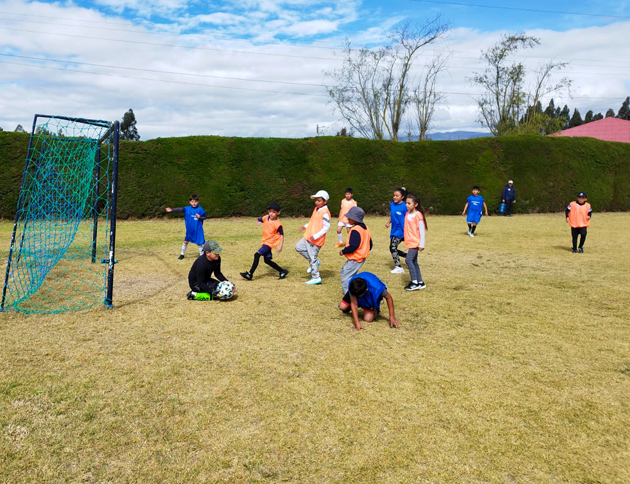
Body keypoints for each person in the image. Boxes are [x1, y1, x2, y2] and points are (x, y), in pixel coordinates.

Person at [240, 203, 289, 280]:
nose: (271, 213)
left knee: (257, 255)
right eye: (270, 211)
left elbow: (282, 235)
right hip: (265, 242)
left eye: (273, 212)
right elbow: (260, 219)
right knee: (267, 261)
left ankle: (250, 274)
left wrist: (281, 246)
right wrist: (258, 221)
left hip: (270, 243)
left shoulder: (278, 224)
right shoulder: (266, 217)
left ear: (278, 213)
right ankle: (282, 271)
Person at [296, 190, 331, 285]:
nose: (316, 202)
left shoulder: (325, 212)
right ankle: (315, 262)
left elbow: (327, 227)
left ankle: (316, 277)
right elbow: (313, 222)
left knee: (312, 258)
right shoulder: (316, 209)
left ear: (325, 201)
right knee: (298, 247)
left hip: (315, 241)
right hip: (308, 237)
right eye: (316, 200)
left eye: (319, 200)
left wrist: (316, 236)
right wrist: (306, 226)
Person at [338, 206, 372, 294]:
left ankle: (349, 297)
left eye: (350, 217)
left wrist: (343, 251)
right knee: (345, 272)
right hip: (360, 258)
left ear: (355, 219)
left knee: (346, 277)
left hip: (355, 258)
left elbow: (353, 246)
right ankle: (356, 289)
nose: (348, 218)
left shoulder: (355, 230)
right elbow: (370, 243)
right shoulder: (365, 228)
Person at [165, 194, 207, 260]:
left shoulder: (200, 209)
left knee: (199, 243)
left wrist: (200, 217)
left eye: (195, 201)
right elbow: (180, 209)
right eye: (192, 202)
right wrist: (172, 210)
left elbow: (205, 217)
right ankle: (182, 254)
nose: (194, 203)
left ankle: (202, 256)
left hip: (197, 229)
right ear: (190, 202)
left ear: (198, 201)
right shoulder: (187, 209)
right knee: (186, 241)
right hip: (189, 230)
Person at [403, 193, 428, 291]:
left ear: (416, 204)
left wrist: (422, 244)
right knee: (414, 262)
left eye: (409, 203)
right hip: (410, 242)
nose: (407, 205)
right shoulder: (407, 214)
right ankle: (420, 282)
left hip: (415, 242)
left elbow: (422, 230)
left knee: (408, 260)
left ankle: (414, 282)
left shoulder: (418, 215)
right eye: (406, 203)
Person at [385, 187, 408, 273]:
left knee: (393, 247)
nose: (394, 197)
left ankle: (398, 267)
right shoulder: (392, 204)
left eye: (397, 196)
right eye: (394, 195)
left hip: (401, 230)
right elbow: (392, 214)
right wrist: (388, 222)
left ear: (402, 197)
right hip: (394, 230)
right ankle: (408, 256)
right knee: (392, 248)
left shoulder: (405, 206)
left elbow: (409, 217)